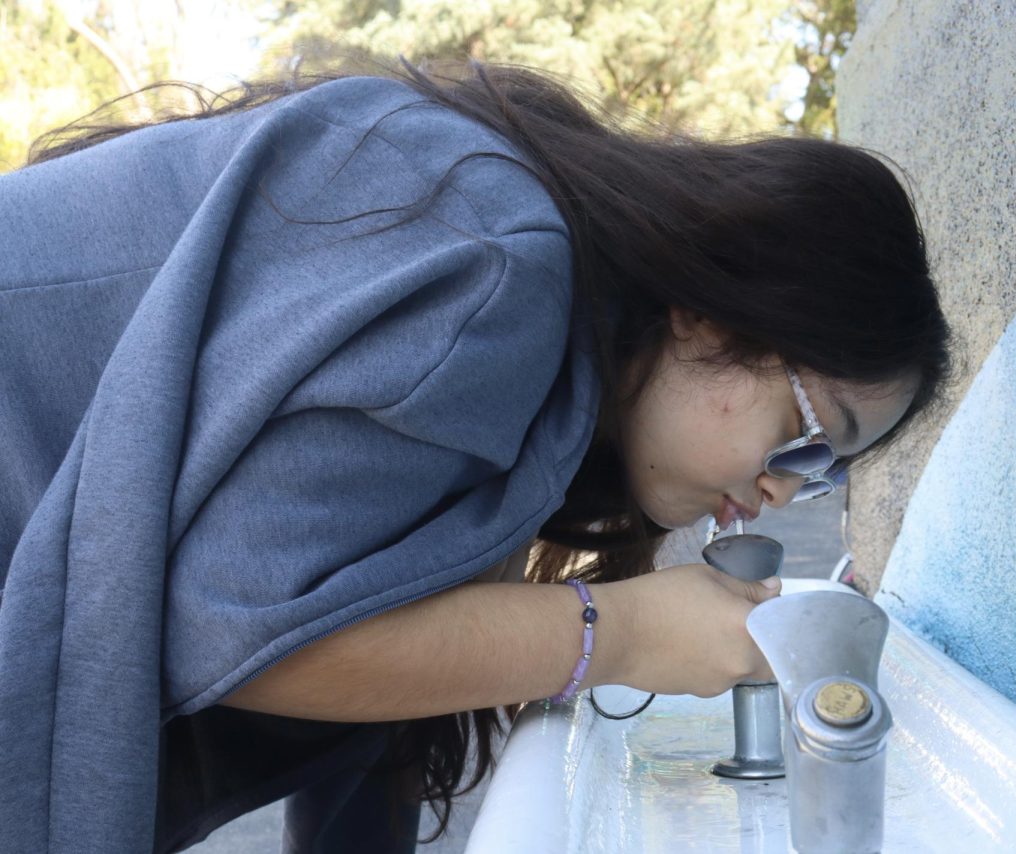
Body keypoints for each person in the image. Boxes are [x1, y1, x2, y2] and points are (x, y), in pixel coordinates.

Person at [0, 58, 950, 853]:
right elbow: (241, 634)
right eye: (811, 430)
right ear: (710, 306)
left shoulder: (523, 366)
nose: (783, 489)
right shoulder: (501, 266)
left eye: (827, 470)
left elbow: (367, 684)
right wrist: (619, 633)